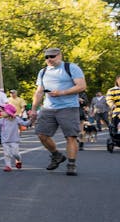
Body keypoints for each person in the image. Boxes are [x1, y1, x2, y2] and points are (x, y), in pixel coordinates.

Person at [31, 47, 86, 176]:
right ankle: (56, 155)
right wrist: (33, 109)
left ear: (60, 55)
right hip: (48, 107)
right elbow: (39, 92)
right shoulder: (43, 72)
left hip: (68, 107)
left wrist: (61, 92)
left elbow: (82, 86)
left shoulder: (71, 67)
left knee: (71, 136)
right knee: (41, 134)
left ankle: (71, 164)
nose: (49, 59)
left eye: (52, 56)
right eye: (47, 57)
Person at [0, 103, 29, 171]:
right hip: (4, 141)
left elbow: (25, 123)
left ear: (8, 112)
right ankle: (8, 166)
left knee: (15, 154)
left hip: (14, 140)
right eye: (0, 111)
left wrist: (32, 119)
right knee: (7, 154)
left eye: (2, 111)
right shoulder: (0, 121)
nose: (0, 112)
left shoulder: (16, 119)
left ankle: (18, 160)